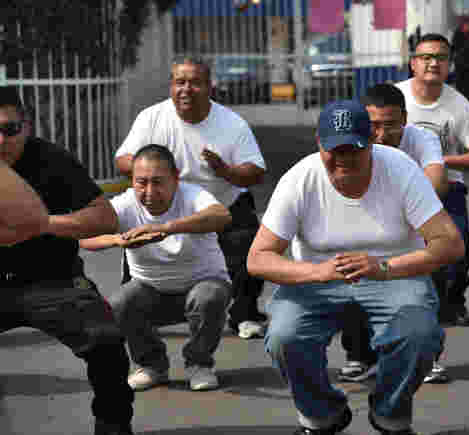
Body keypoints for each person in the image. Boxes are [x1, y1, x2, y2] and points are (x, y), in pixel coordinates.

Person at [247, 99, 464, 435]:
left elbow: (449, 243)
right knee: (284, 336)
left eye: (354, 149)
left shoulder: (401, 170)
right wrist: (318, 272)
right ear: (319, 143)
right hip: (318, 277)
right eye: (335, 149)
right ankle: (321, 416)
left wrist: (384, 267)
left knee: (420, 334)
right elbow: (258, 258)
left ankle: (390, 415)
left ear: (372, 142)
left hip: (392, 274)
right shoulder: (300, 178)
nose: (344, 158)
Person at [0, 86, 134, 435]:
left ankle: (113, 425)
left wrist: (41, 225)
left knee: (106, 342)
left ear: (26, 126)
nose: (1, 140)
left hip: (53, 279)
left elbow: (105, 219)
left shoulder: (51, 159)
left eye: (9, 129)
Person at [115, 56, 268, 340]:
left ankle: (245, 314)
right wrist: (152, 168)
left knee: (249, 243)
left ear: (210, 86)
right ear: (171, 86)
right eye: (180, 82)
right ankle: (136, 311)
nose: (186, 89)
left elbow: (255, 171)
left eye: (195, 83)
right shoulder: (151, 118)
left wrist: (225, 170)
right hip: (165, 204)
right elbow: (122, 159)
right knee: (138, 240)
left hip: (220, 203)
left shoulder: (231, 123)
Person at [81, 145, 233, 392]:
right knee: (119, 302)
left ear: (176, 178)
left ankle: (199, 363)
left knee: (209, 297)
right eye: (141, 183)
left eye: (158, 182)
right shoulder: (125, 203)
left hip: (201, 288)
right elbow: (85, 235)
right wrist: (117, 240)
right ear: (132, 181)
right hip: (151, 292)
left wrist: (167, 228)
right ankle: (151, 366)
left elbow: (222, 215)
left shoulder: (193, 195)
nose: (149, 192)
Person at [396, 33, 469, 383]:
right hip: (397, 189)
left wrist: (437, 161)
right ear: (413, 63)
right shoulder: (395, 98)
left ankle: (451, 302)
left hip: (446, 190)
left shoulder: (457, 104)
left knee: (457, 251)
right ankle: (366, 351)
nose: (432, 63)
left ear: (449, 65)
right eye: (425, 57)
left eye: (440, 57)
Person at [338, 83, 447, 382]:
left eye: (391, 125)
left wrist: (411, 209)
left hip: (411, 219)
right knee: (350, 270)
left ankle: (425, 354)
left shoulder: (423, 139)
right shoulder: (349, 140)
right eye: (374, 125)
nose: (382, 134)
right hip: (362, 217)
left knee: (434, 268)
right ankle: (359, 355)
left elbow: (436, 181)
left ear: (405, 119)